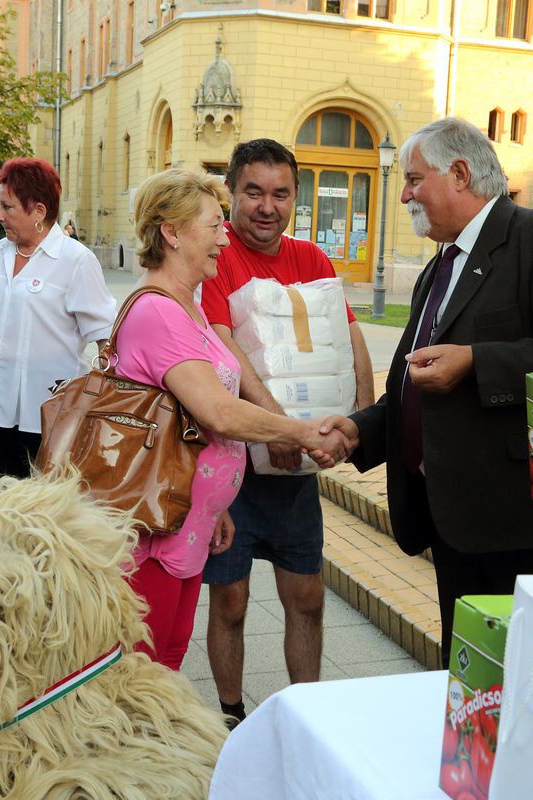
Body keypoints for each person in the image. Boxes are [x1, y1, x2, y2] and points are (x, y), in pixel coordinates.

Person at [330, 117, 533, 667]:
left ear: (459, 173)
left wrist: (477, 362)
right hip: (455, 521)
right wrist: (362, 430)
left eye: (414, 179)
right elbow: (416, 383)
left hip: (527, 524)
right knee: (473, 685)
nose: (406, 193)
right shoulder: (438, 267)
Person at [117, 168, 349, 674]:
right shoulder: (159, 311)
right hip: (155, 524)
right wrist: (303, 432)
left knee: (169, 653)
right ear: (171, 233)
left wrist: (212, 504)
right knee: (145, 668)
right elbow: (218, 411)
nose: (226, 238)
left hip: (184, 516)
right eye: (213, 225)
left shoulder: (187, 305)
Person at [199, 138, 374, 725]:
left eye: (279, 193)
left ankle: (308, 717)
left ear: (294, 197)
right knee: (231, 599)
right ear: (231, 193)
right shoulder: (214, 257)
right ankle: (231, 717)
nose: (266, 206)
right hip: (229, 467)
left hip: (294, 471)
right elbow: (223, 344)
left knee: (307, 598)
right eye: (253, 191)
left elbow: (348, 340)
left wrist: (362, 419)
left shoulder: (314, 261)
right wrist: (277, 423)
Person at [0, 158, 115, 492]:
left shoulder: (76, 261)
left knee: (36, 516)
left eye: (7, 207)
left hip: (45, 418)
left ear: (39, 211)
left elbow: (105, 342)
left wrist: (96, 405)